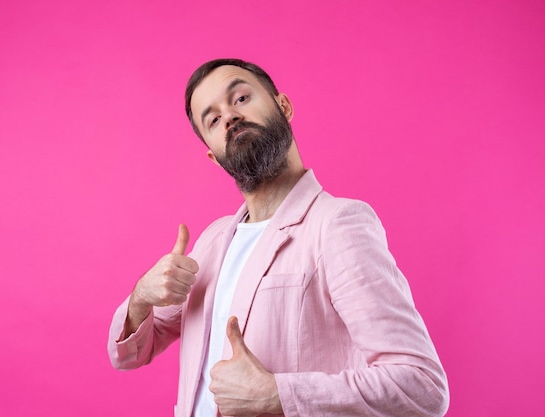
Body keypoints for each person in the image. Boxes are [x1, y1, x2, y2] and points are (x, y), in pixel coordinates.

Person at [108, 58, 449, 417]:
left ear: (283, 106)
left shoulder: (337, 225)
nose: (229, 116)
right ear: (213, 155)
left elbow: (420, 386)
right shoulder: (212, 241)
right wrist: (142, 297)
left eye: (240, 98)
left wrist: (278, 395)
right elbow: (129, 355)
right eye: (212, 118)